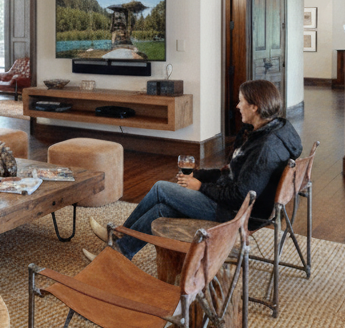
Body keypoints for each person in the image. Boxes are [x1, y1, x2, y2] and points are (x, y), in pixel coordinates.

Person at [87, 79, 302, 261]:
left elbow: (239, 195)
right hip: (241, 206)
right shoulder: (274, 130)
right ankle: (121, 248)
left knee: (161, 188)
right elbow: (232, 175)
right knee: (162, 209)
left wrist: (200, 186)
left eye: (241, 101)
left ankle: (119, 236)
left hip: (236, 213)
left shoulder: (264, 148)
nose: (237, 106)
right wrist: (198, 174)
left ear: (254, 107)